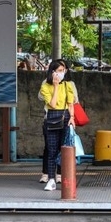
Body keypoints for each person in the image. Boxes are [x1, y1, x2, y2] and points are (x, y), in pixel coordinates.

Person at [39, 59, 76, 191]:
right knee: (52, 150)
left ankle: (66, 178)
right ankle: (51, 179)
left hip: (65, 117)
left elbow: (71, 104)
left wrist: (72, 117)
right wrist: (55, 86)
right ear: (53, 71)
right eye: (59, 70)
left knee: (65, 150)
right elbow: (53, 104)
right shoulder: (45, 86)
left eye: (63, 70)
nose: (62, 73)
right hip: (52, 118)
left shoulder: (68, 85)